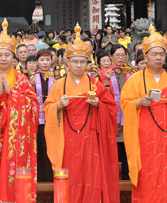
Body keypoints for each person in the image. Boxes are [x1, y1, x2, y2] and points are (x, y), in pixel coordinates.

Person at [44, 24, 119, 202]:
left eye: (82, 61)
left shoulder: (95, 84)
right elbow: (48, 109)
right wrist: (58, 106)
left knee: (91, 177)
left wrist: (98, 104)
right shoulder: (58, 85)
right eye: (75, 61)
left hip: (90, 138)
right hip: (66, 139)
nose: (78, 65)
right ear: (67, 62)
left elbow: (111, 109)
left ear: (88, 62)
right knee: (70, 177)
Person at [121, 25, 167, 203]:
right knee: (147, 176)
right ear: (145, 56)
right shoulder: (135, 80)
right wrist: (138, 103)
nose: (158, 57)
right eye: (154, 54)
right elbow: (125, 105)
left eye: (161, 54)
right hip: (144, 138)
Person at [0, 19, 39, 201]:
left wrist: (12, 94)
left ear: (14, 58)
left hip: (15, 137)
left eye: (7, 55)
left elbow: (33, 105)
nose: (3, 59)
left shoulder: (22, 80)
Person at [100, 44, 135, 180]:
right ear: (111, 57)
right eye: (117, 55)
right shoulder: (104, 73)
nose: (120, 58)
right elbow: (102, 95)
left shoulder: (131, 72)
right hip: (111, 117)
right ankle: (112, 178)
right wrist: (107, 81)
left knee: (128, 148)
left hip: (128, 116)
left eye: (123, 55)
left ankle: (127, 177)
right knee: (113, 148)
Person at [29, 49, 55, 182]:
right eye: (42, 60)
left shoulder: (56, 76)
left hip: (53, 118)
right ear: (37, 62)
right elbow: (28, 99)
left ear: (52, 61)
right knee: (40, 147)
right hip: (37, 119)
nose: (45, 63)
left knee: (51, 148)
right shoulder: (33, 77)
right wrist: (31, 86)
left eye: (47, 60)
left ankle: (51, 178)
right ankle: (40, 179)